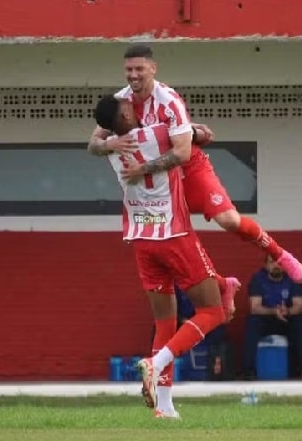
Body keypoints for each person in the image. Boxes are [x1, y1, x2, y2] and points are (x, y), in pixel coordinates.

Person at [86, 44, 302, 283]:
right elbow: (93, 144)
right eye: (129, 69)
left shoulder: (169, 101)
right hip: (158, 186)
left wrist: (144, 168)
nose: (134, 75)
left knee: (229, 220)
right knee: (160, 237)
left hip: (189, 170)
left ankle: (278, 254)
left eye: (140, 68)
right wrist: (109, 145)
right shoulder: (120, 102)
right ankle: (221, 286)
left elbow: (182, 153)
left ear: (153, 68)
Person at [95, 94, 229, 419]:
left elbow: (95, 144)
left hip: (142, 238)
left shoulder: (112, 147)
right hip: (173, 234)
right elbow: (189, 143)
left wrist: (102, 139)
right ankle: (154, 364)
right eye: (127, 107)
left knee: (164, 322)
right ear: (122, 117)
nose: (133, 106)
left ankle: (164, 409)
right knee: (214, 311)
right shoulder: (151, 134)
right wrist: (194, 129)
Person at [243, 255, 302, 379]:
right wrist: (274, 311)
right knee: (252, 323)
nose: (276, 265)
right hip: (265, 319)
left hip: (287, 318)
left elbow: (299, 306)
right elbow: (255, 307)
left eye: (279, 263)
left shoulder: (293, 278)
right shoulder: (258, 279)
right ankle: (249, 371)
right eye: (272, 262)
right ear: (266, 265)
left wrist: (287, 311)